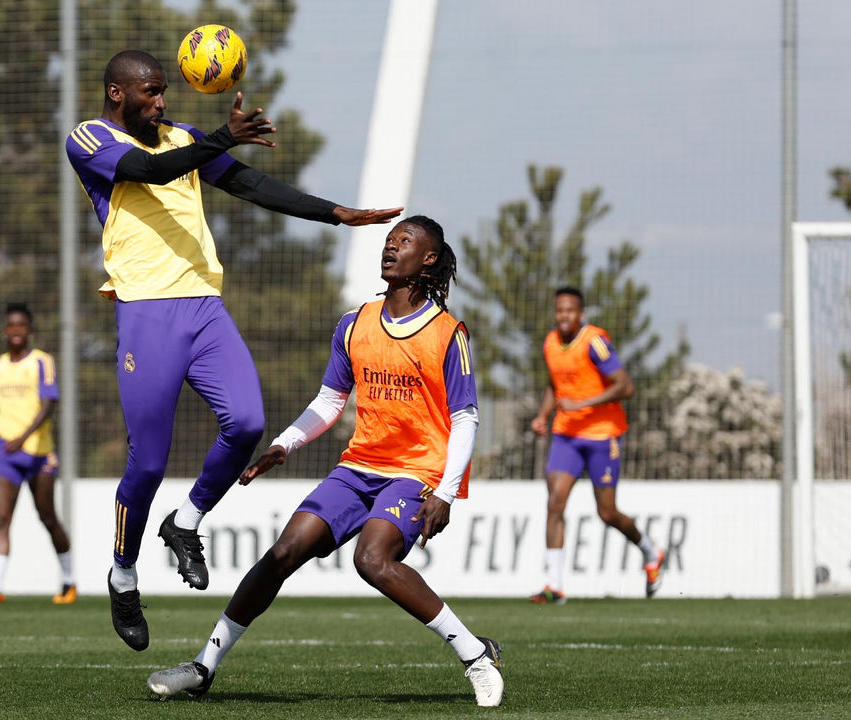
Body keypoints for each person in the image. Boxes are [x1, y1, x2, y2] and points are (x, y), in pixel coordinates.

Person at [65, 49, 402, 651]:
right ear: (118, 93)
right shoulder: (89, 137)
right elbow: (151, 172)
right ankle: (122, 573)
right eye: (151, 91)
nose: (162, 101)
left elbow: (248, 182)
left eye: (164, 91)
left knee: (246, 421)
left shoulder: (183, 137)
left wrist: (335, 214)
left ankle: (186, 521)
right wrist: (223, 135)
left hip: (203, 308)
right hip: (146, 314)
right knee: (146, 463)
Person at [146, 216, 504, 707]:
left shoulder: (447, 333)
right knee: (284, 551)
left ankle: (475, 657)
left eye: (404, 241)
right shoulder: (354, 323)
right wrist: (283, 444)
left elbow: (465, 417)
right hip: (359, 467)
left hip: (416, 472)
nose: (390, 246)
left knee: (371, 560)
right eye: (388, 240)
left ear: (429, 259)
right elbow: (330, 400)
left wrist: (444, 492)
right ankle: (203, 667)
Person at [528, 287, 665, 604]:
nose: (564, 316)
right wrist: (543, 414)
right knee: (555, 502)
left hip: (603, 435)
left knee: (606, 512)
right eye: (559, 310)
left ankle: (650, 551)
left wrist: (583, 403)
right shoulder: (550, 343)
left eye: (570, 311)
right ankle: (555, 586)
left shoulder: (594, 343)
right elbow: (555, 384)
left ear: (582, 314)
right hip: (566, 435)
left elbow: (625, 385)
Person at [0, 303, 76, 606]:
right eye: (11, 325)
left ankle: (69, 581)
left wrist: (24, 437)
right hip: (4, 455)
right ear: (5, 330)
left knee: (47, 516)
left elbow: (48, 404)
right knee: (2, 519)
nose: (16, 330)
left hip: (38, 454)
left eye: (21, 325)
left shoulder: (42, 362)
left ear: (29, 330)